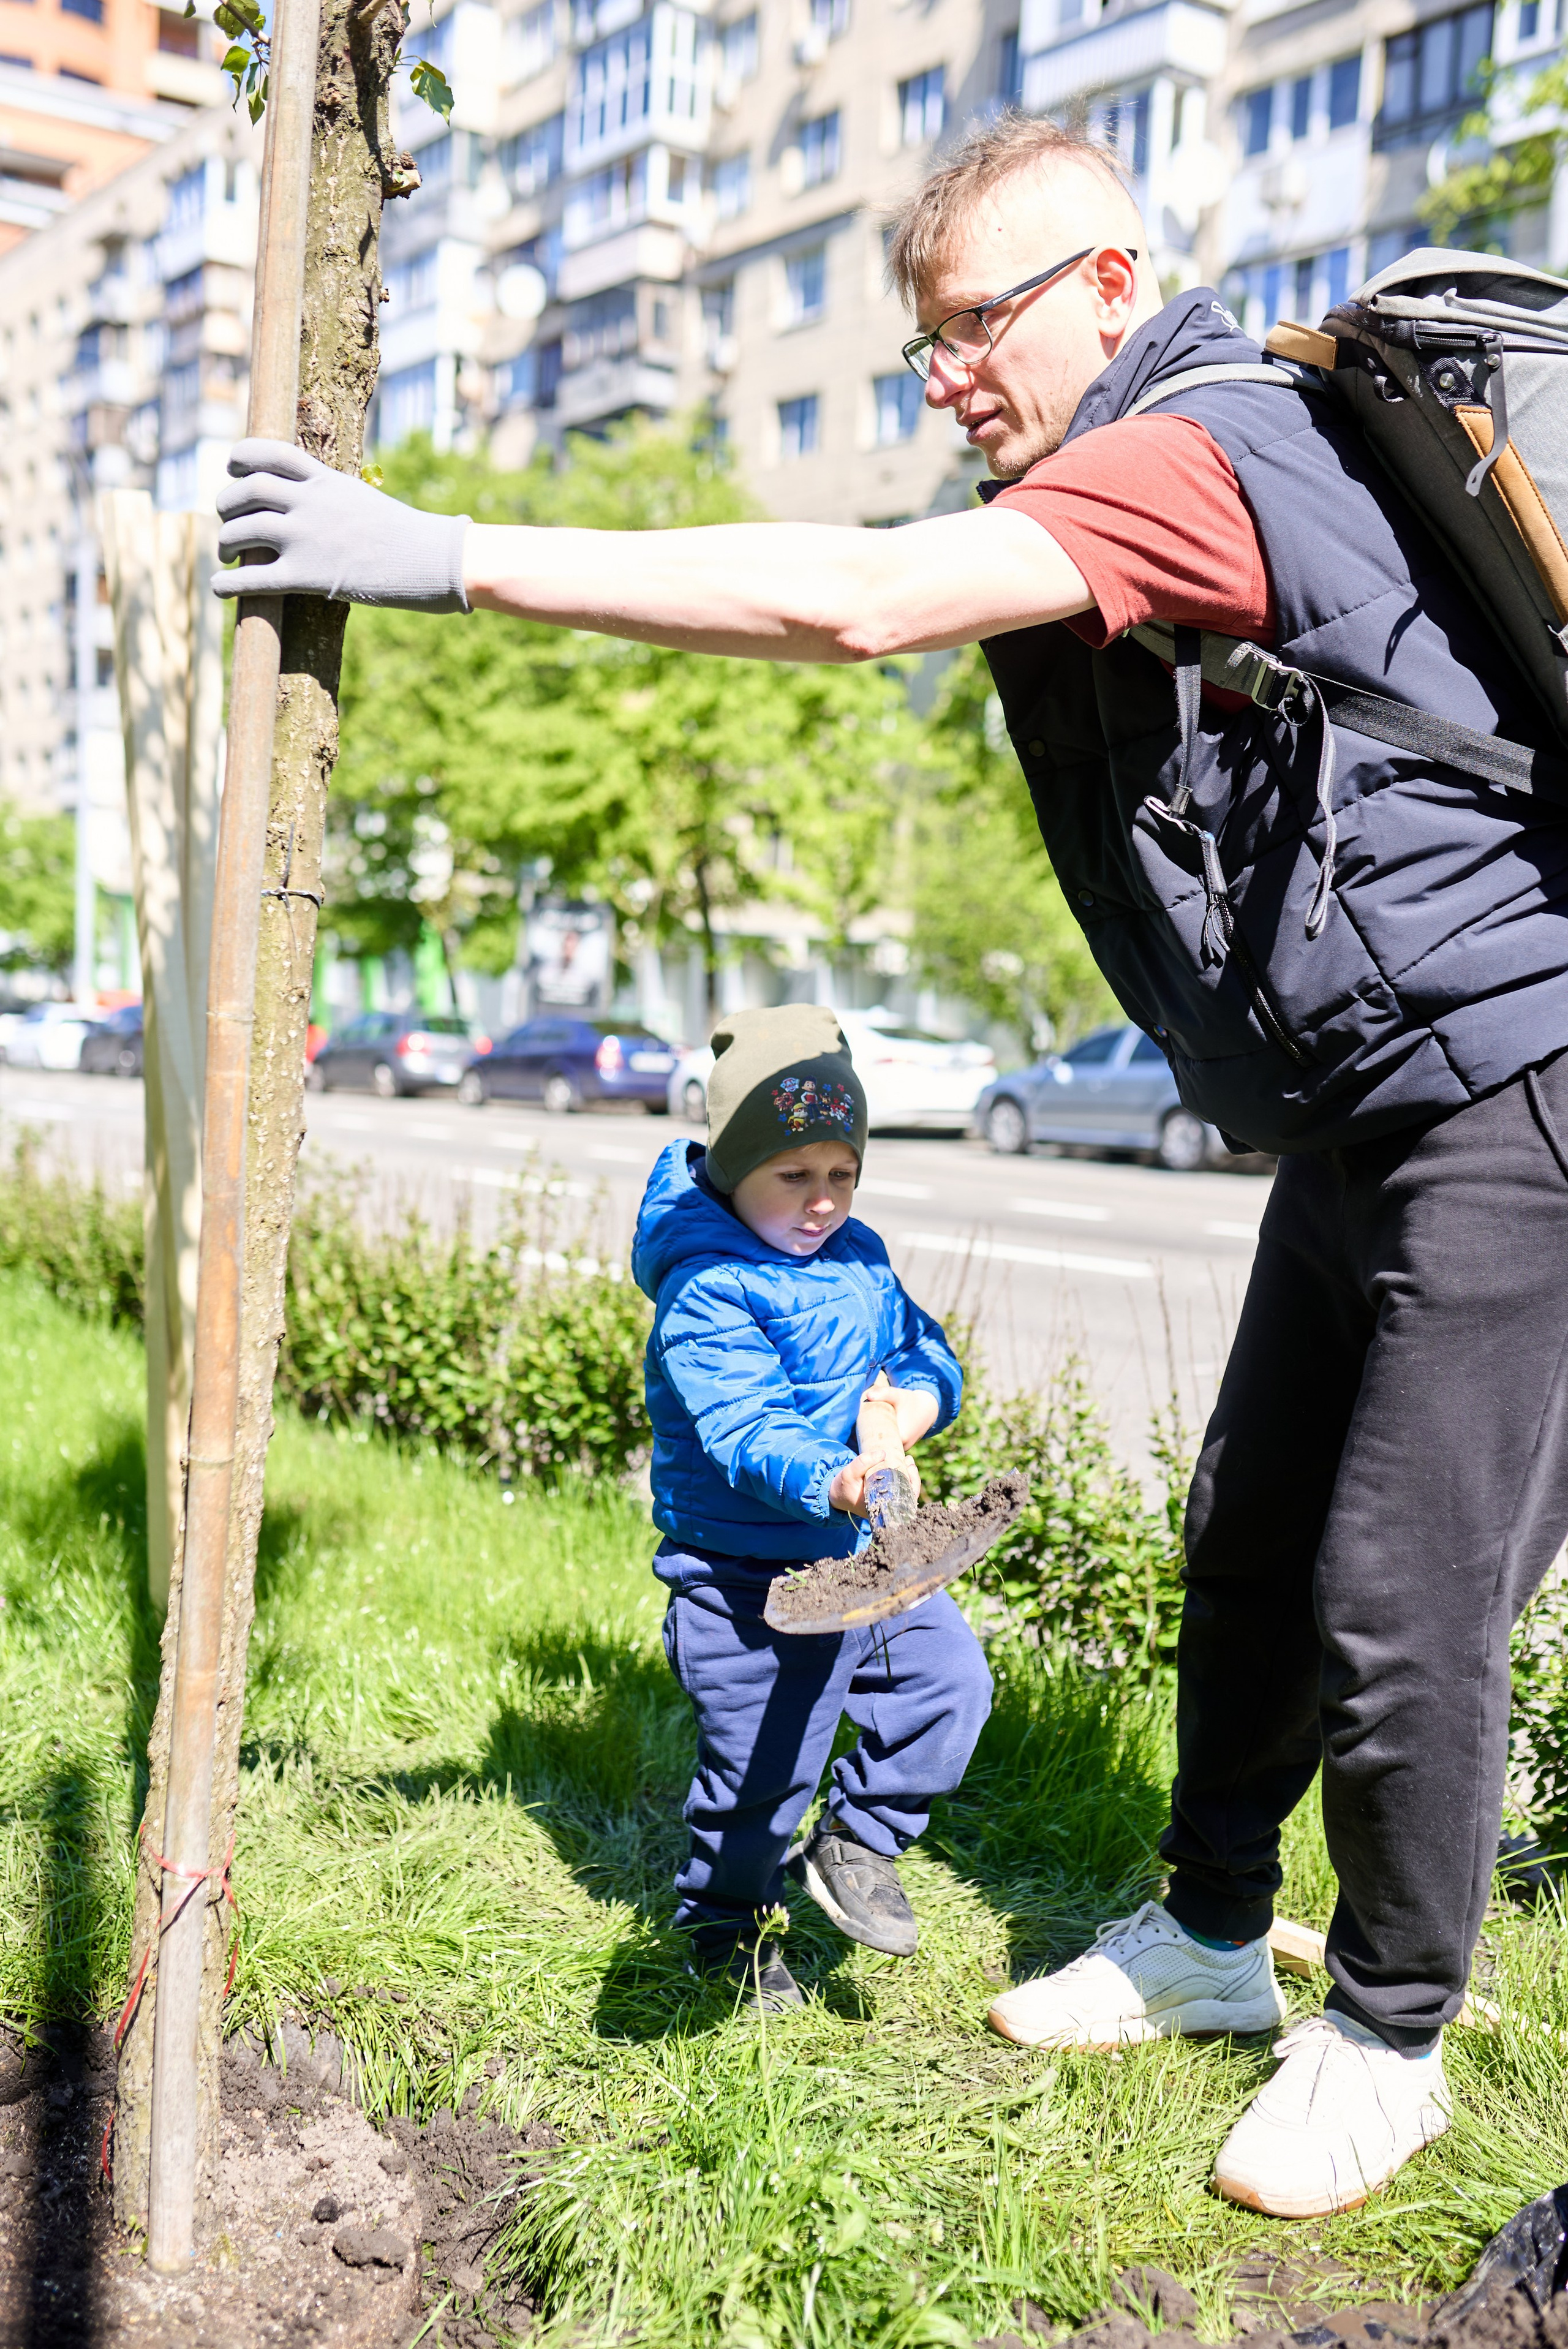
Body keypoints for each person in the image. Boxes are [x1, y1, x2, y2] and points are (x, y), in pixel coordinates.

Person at [213, 113, 1568, 2214]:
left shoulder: (1197, 445)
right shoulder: (1151, 458)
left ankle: (1387, 2028)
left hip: (1522, 1090)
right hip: (1371, 1104)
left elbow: (854, 602)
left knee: (1405, 1587)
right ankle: (1211, 1933)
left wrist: (444, 549)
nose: (948, 379)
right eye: (926, 343)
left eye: (975, 327)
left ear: (1113, 284)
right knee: (1250, 1530)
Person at [628, 1003, 989, 2012]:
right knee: (762, 1782)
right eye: (794, 1175)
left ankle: (857, 1841)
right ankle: (723, 1927)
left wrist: (911, 1407)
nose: (823, 1200)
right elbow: (746, 1427)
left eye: (842, 1173)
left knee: (949, 1687)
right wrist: (836, 1477)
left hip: (867, 1552)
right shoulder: (708, 1289)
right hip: (748, 1574)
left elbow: (923, 1350)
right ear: (733, 1166)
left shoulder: (860, 1256)